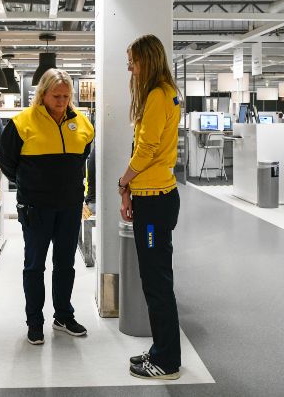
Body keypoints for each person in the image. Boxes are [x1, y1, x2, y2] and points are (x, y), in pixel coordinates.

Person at [0, 69, 94, 346]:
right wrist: (31, 185)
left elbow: (82, 157)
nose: (61, 101)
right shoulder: (21, 123)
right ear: (43, 94)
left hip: (70, 206)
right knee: (34, 265)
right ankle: (35, 322)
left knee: (65, 264)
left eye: (66, 96)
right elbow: (7, 163)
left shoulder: (83, 124)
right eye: (56, 96)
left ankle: (63, 316)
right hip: (36, 207)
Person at [117, 34, 182, 380]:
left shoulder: (158, 96)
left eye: (133, 60)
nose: (129, 67)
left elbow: (145, 150)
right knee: (156, 279)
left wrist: (123, 182)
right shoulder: (166, 93)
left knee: (156, 282)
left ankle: (167, 361)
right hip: (154, 195)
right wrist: (130, 191)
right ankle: (161, 350)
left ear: (148, 59)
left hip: (155, 200)